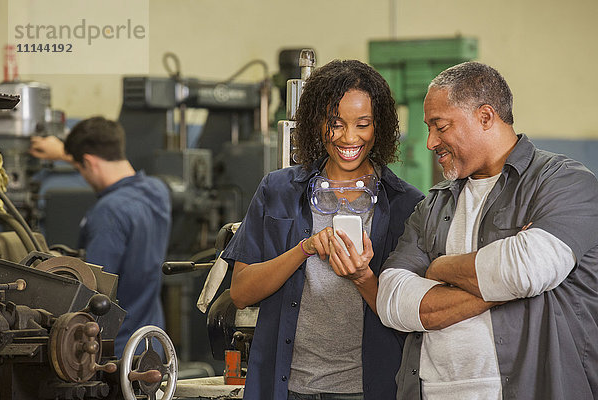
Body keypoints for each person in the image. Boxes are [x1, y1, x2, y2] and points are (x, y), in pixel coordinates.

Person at [376, 61, 598, 400]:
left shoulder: (564, 182)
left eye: (440, 126)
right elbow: (392, 300)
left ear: (485, 116)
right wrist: (506, 281)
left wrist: (439, 269)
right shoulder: (433, 204)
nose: (430, 142)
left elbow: (525, 269)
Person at [222, 59, 424, 400]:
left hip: (365, 390)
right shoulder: (277, 190)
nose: (349, 137)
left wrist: (362, 276)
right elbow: (241, 293)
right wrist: (306, 248)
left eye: (363, 124)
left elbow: (408, 318)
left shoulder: (407, 205)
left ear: (381, 126)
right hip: (286, 387)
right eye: (336, 124)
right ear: (318, 123)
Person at [29, 117, 172, 357]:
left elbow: (90, 289)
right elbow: (97, 160)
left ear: (89, 162)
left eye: (79, 168)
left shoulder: (108, 212)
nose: (82, 176)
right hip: (150, 343)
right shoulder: (158, 192)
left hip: (112, 350)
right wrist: (68, 155)